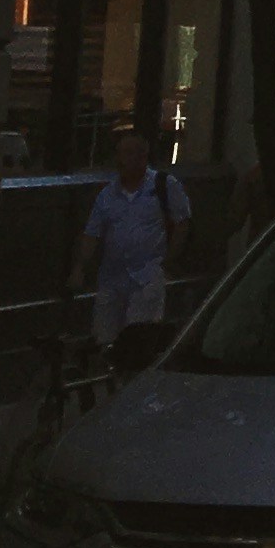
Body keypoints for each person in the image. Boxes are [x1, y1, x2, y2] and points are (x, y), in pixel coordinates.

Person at [73, 128, 189, 380]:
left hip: (146, 276)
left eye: (127, 153)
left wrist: (168, 261)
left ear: (141, 157)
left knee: (138, 343)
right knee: (105, 340)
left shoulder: (164, 186)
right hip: (112, 278)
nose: (121, 160)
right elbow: (92, 233)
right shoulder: (108, 195)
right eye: (119, 153)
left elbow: (182, 223)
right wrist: (80, 268)